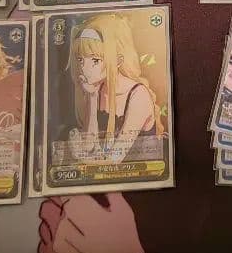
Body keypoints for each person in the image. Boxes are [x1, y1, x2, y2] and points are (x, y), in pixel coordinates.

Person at [66, 14, 163, 164]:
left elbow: (115, 160)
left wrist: (79, 157)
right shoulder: (97, 88)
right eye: (80, 59)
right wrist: (92, 97)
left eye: (95, 60)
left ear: (118, 60)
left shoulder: (138, 95)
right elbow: (89, 146)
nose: (84, 68)